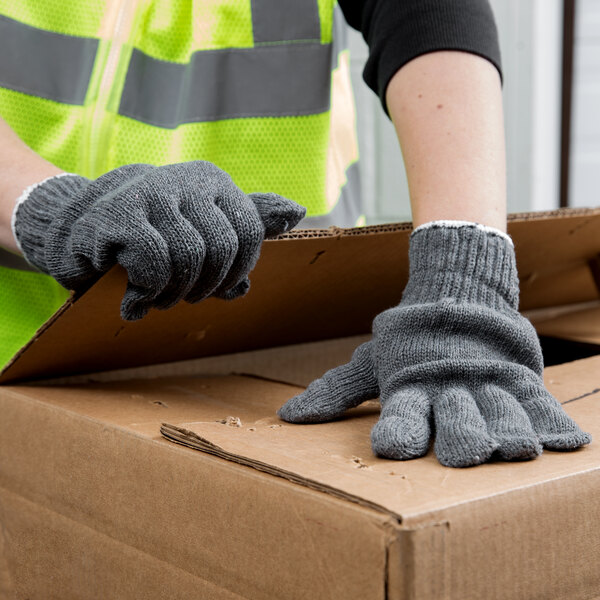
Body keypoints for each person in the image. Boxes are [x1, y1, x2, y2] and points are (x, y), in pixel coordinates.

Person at [0, 1, 590, 467]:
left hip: (277, 363)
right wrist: (45, 206)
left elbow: (428, 12)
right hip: (15, 352)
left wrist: (462, 269)